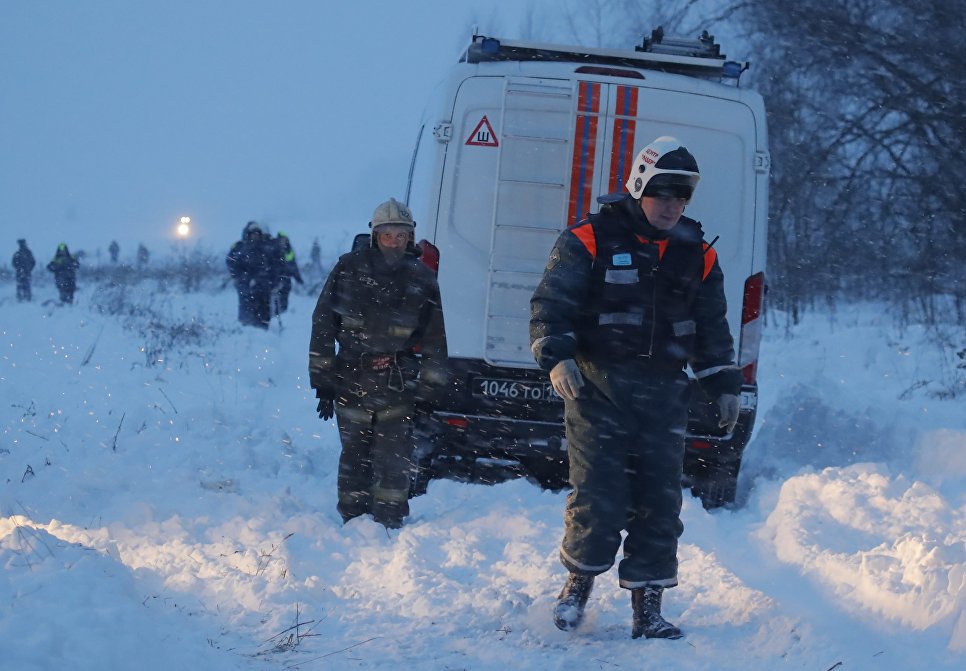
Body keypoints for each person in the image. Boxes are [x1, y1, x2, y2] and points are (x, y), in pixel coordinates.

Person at [529, 137, 742, 639]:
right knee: (598, 495)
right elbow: (551, 303)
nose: (671, 206)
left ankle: (648, 609)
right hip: (596, 389)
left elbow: (712, 328)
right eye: (662, 194)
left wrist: (724, 382)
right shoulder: (589, 239)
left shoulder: (698, 255)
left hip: (666, 393)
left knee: (660, 501)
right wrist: (556, 356)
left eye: (681, 197)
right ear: (640, 187)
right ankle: (576, 588)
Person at [309, 198, 448, 529]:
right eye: (388, 235)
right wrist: (322, 382)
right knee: (354, 454)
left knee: (393, 459)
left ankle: (389, 521)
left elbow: (434, 338)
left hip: (398, 383)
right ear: (375, 235)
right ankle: (353, 520)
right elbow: (323, 324)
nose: (395, 242)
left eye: (402, 235)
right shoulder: (348, 269)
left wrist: (429, 391)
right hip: (350, 379)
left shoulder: (422, 278)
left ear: (411, 237)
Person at [226, 221, 279, 329]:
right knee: (247, 306)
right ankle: (247, 327)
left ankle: (263, 327)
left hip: (264, 285)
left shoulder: (266, 248)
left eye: (257, 233)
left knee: (264, 306)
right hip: (245, 285)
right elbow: (231, 262)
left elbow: (275, 265)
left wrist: (273, 281)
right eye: (253, 233)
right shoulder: (240, 247)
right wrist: (240, 277)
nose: (255, 236)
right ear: (248, 234)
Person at [273, 231, 304, 316]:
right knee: (275, 300)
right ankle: (275, 316)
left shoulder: (289, 250)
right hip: (277, 279)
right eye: (282, 239)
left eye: (285, 239)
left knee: (284, 301)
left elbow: (294, 266)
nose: (284, 241)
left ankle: (281, 314)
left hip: (286, 279)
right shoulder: (274, 249)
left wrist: (298, 278)